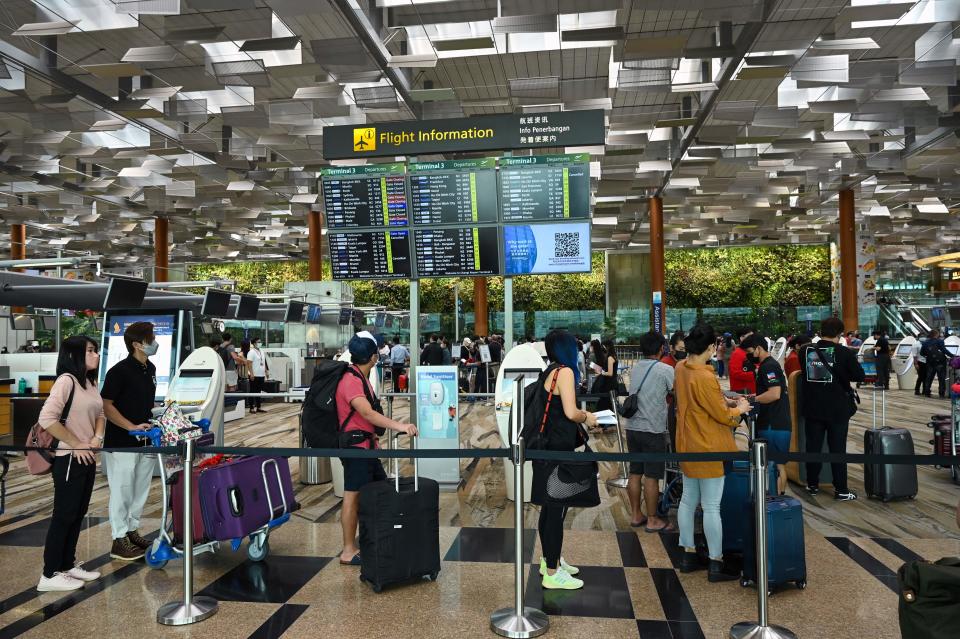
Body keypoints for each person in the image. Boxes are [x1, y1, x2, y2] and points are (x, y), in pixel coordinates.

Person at [674, 324, 751, 582]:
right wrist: (739, 408)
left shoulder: (680, 368)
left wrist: (723, 402)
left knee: (687, 500)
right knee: (711, 506)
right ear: (709, 348)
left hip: (687, 443)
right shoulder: (704, 376)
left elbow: (702, 403)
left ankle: (687, 554)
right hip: (708, 445)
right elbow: (720, 415)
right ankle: (716, 562)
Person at [337, 332, 418, 566]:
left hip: (367, 446)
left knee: (377, 492)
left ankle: (370, 539)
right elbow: (367, 413)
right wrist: (400, 426)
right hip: (356, 450)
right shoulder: (351, 380)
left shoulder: (360, 377)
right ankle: (348, 550)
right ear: (373, 357)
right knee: (352, 496)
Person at [37, 336, 105, 591]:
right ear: (74, 355)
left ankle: (67, 564)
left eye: (95, 350)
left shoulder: (89, 381)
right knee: (64, 514)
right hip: (68, 458)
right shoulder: (66, 381)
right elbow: (47, 418)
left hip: (87, 456)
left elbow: (100, 413)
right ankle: (49, 574)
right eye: (90, 351)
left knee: (77, 513)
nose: (95, 355)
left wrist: (96, 437)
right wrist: (76, 443)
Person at [533, 329, 599, 590]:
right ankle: (552, 572)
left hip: (547, 447)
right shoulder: (567, 372)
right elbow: (571, 412)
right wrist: (589, 417)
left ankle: (551, 560)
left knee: (550, 508)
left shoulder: (550, 370)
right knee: (555, 508)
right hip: (557, 450)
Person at [100, 322, 158, 562]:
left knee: (140, 488)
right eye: (151, 338)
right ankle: (119, 537)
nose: (155, 342)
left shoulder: (150, 367)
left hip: (145, 440)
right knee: (122, 489)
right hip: (121, 440)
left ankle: (132, 530)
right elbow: (106, 405)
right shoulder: (119, 371)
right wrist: (130, 427)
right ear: (137, 344)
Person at [799, 317, 865, 501]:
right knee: (837, 450)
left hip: (812, 407)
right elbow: (859, 375)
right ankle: (841, 489)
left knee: (813, 448)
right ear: (840, 333)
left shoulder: (805, 351)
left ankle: (812, 485)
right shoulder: (844, 353)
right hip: (838, 409)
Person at [625, 331, 675, 532]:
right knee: (652, 476)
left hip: (632, 428)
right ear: (661, 348)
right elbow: (678, 393)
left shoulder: (636, 368)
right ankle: (653, 519)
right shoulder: (664, 369)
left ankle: (636, 514)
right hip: (653, 429)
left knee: (635, 472)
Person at [742, 335, 791, 494]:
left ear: (758, 348)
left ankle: (776, 501)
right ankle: (774, 499)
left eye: (750, 351)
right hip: (773, 423)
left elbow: (774, 393)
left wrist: (753, 400)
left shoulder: (768, 367)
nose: (749, 356)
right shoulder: (767, 366)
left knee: (776, 466)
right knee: (773, 465)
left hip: (774, 425)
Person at [591, 339, 618, 413]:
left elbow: (610, 373)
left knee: (604, 403)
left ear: (607, 346)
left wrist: (601, 373)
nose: (603, 348)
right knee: (608, 403)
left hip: (609, 383)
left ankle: (605, 422)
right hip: (611, 382)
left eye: (604, 346)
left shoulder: (610, 358)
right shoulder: (613, 356)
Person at [728, 328, 757, 395]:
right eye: (750, 336)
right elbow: (735, 373)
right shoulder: (737, 353)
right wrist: (755, 374)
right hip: (743, 394)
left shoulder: (752, 351)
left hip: (753, 392)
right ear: (742, 338)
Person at [921, 329, 949, 398]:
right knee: (941, 378)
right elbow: (944, 350)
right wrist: (952, 356)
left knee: (929, 378)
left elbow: (922, 353)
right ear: (936, 334)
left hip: (930, 362)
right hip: (940, 362)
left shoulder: (925, 342)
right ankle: (941, 394)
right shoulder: (940, 341)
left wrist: (928, 356)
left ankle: (927, 392)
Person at [247, 336, 269, 413]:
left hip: (261, 374)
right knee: (253, 391)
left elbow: (264, 362)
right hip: (254, 375)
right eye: (258, 342)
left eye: (260, 342)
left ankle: (258, 407)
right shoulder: (251, 352)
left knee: (259, 391)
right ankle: (251, 407)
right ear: (254, 343)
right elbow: (249, 363)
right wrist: (251, 374)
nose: (260, 343)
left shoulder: (261, 351)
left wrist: (266, 371)